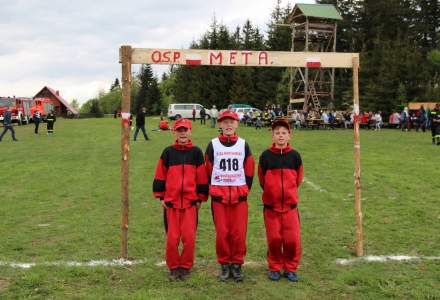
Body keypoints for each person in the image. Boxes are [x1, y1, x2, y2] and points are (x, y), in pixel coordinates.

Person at [152, 118, 209, 281]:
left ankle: (185, 266)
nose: (182, 133)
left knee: (189, 238)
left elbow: (202, 177)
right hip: (171, 204)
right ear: (174, 132)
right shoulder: (168, 152)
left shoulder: (196, 153)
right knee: (172, 239)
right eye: (179, 130)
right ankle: (173, 266)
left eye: (185, 130)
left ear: (190, 132)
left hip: (191, 204)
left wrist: (200, 197)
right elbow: (160, 174)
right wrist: (160, 196)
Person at [205, 110, 255, 282]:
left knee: (239, 233)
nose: (228, 125)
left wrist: (244, 190)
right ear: (220, 125)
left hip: (239, 198)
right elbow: (207, 169)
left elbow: (249, 169)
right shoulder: (213, 145)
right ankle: (225, 264)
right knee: (222, 233)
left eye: (231, 122)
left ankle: (237, 265)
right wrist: (214, 191)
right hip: (219, 198)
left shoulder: (243, 144)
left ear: (236, 124)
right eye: (224, 122)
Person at [258, 118, 303, 282]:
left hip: (290, 207)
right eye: (277, 133)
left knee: (292, 240)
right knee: (274, 239)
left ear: (289, 135)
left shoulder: (295, 156)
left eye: (284, 133)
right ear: (273, 136)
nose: (280, 136)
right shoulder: (266, 156)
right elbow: (262, 180)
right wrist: (272, 193)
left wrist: (289, 194)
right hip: (271, 208)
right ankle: (275, 267)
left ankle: (290, 268)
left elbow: (298, 179)